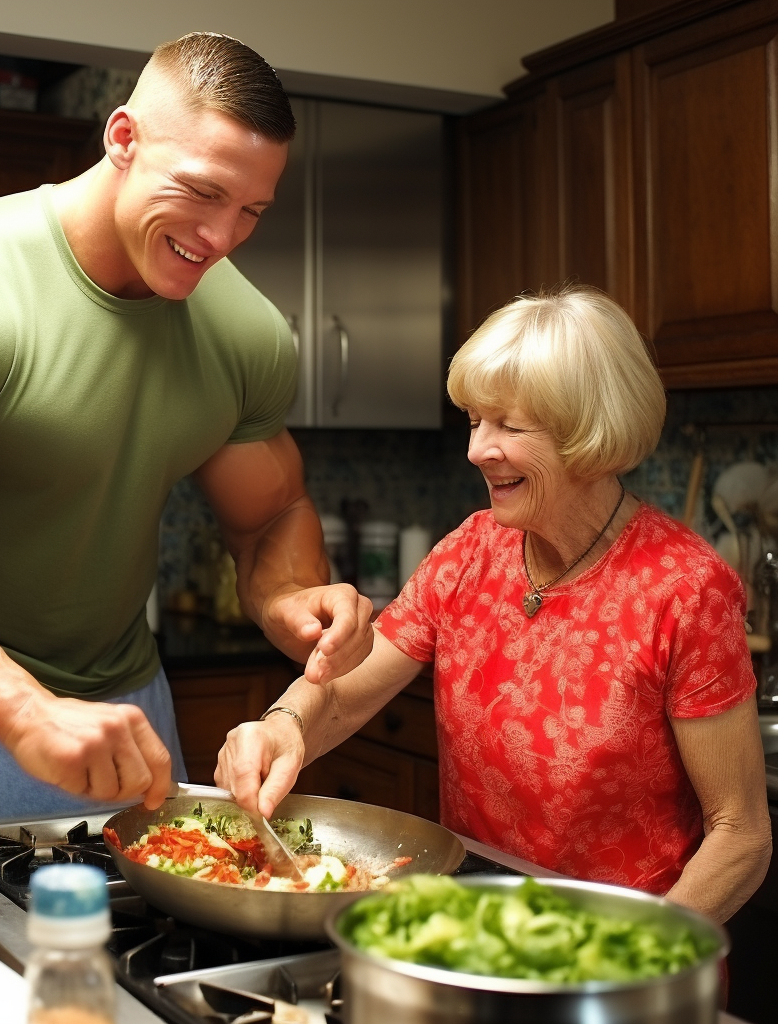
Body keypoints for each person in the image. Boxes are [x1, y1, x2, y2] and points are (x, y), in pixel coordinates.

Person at [0, 32, 373, 842]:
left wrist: (294, 600)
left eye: (251, 211)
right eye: (201, 192)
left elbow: (269, 515)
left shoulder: (247, 333)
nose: (223, 236)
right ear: (122, 139)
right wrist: (18, 707)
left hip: (133, 705)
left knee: (136, 963)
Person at [216, 285, 771, 924]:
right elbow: (343, 692)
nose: (478, 448)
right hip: (480, 937)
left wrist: (631, 961)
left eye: (509, 425)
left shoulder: (686, 589)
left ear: (588, 431)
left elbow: (740, 834)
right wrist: (283, 724)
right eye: (476, 420)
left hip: (620, 970)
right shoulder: (473, 550)